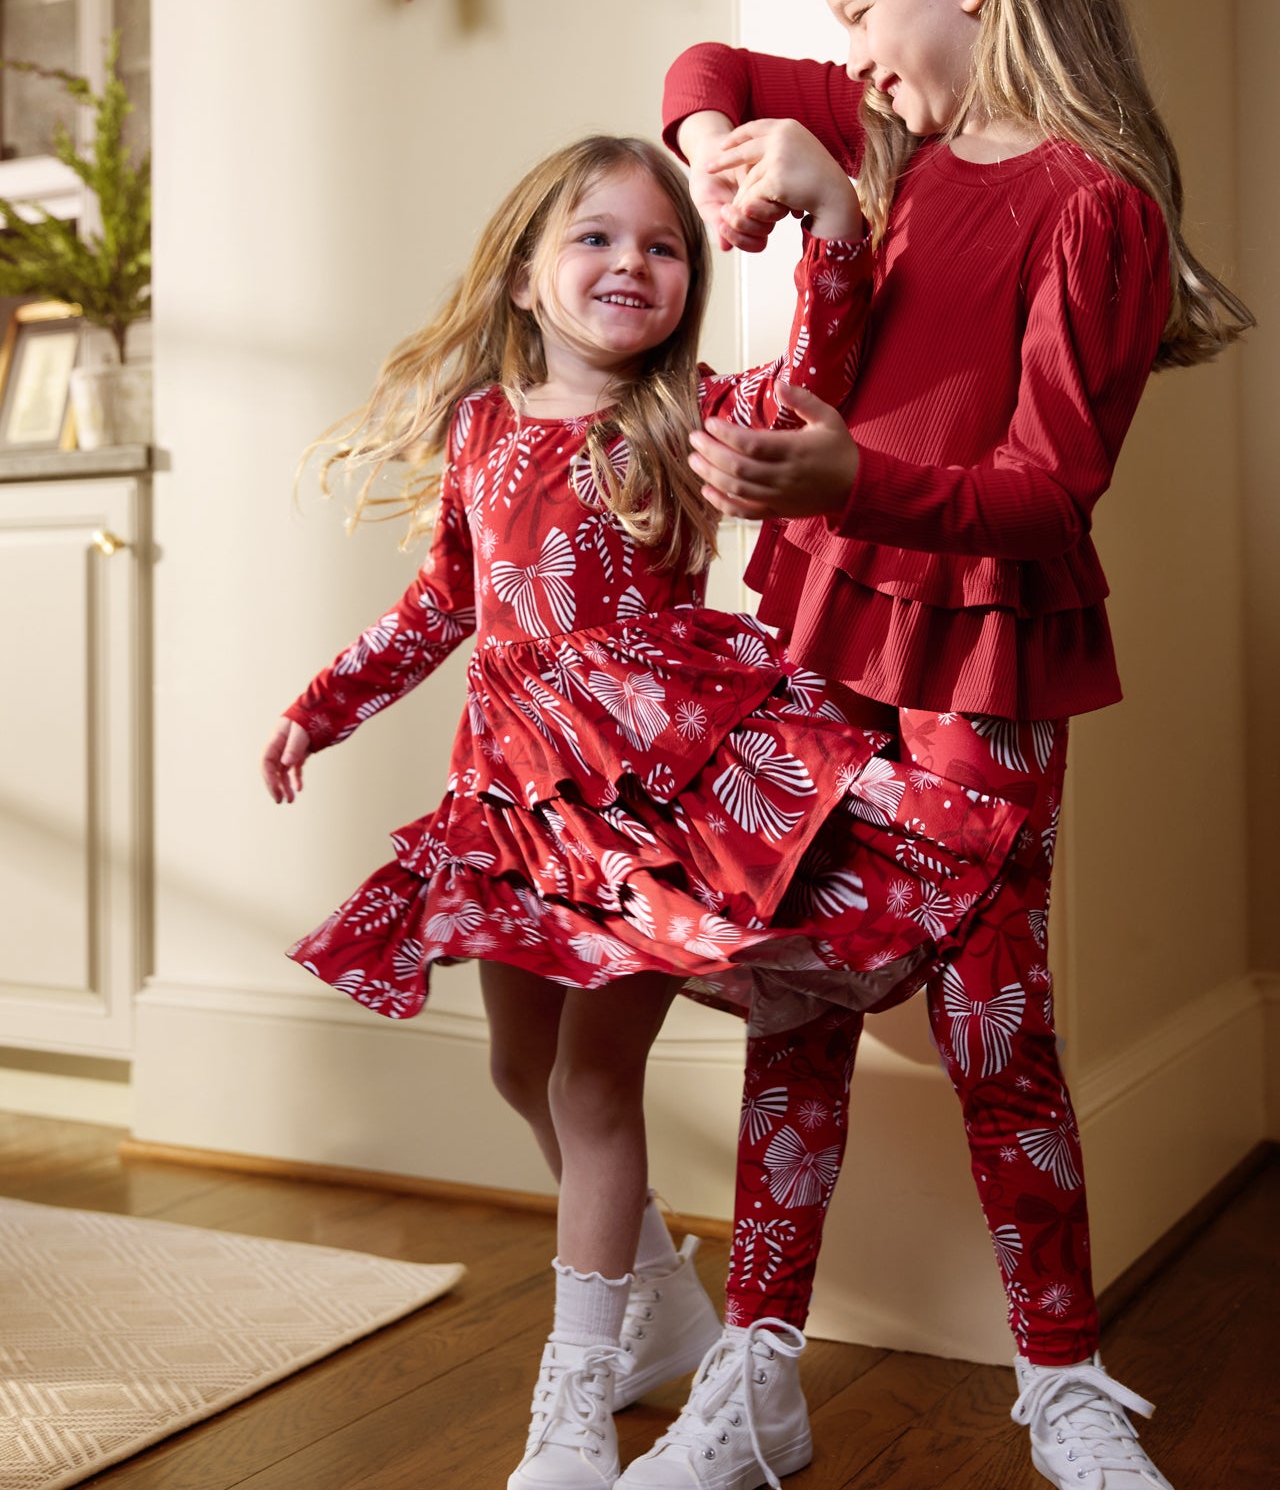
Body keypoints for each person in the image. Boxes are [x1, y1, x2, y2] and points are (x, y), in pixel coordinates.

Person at [262, 132, 1022, 1490]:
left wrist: (834, 232)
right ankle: (663, 1304)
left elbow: (820, 372)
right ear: (523, 277)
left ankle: (569, 1402)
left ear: (690, 281)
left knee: (590, 1079)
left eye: (664, 245)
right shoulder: (480, 428)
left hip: (650, 803)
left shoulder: (689, 420)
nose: (633, 263)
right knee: (520, 1069)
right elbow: (443, 603)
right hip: (514, 795)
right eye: (597, 238)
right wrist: (322, 708)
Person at [626, 0, 1255, 1489]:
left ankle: (1064, 1385)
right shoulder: (892, 125)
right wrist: (724, 152)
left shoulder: (1095, 203)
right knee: (794, 992)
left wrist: (856, 473)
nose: (843, 57)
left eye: (857, 15)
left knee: (996, 1023)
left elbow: (1050, 490)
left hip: (982, 641)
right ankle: (757, 1372)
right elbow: (705, 66)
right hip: (827, 618)